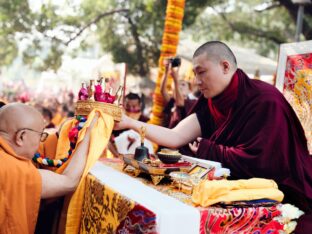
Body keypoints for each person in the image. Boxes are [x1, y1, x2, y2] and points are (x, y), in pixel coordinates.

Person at [114, 41, 312, 225]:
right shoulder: (212, 104)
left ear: (225, 66)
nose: (197, 81)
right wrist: (129, 122)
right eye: (195, 74)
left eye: (202, 73)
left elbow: (265, 164)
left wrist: (210, 149)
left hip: (283, 192)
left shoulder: (266, 100)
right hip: (231, 193)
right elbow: (175, 136)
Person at [0, 103, 97, 233]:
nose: (41, 141)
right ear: (21, 136)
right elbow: (69, 181)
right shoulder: (13, 169)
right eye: (41, 136)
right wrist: (88, 132)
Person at [160, 58, 197, 128]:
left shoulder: (192, 102)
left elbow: (180, 103)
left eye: (183, 84)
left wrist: (175, 80)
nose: (180, 87)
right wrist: (166, 71)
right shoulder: (172, 101)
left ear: (190, 90)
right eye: (178, 84)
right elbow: (162, 90)